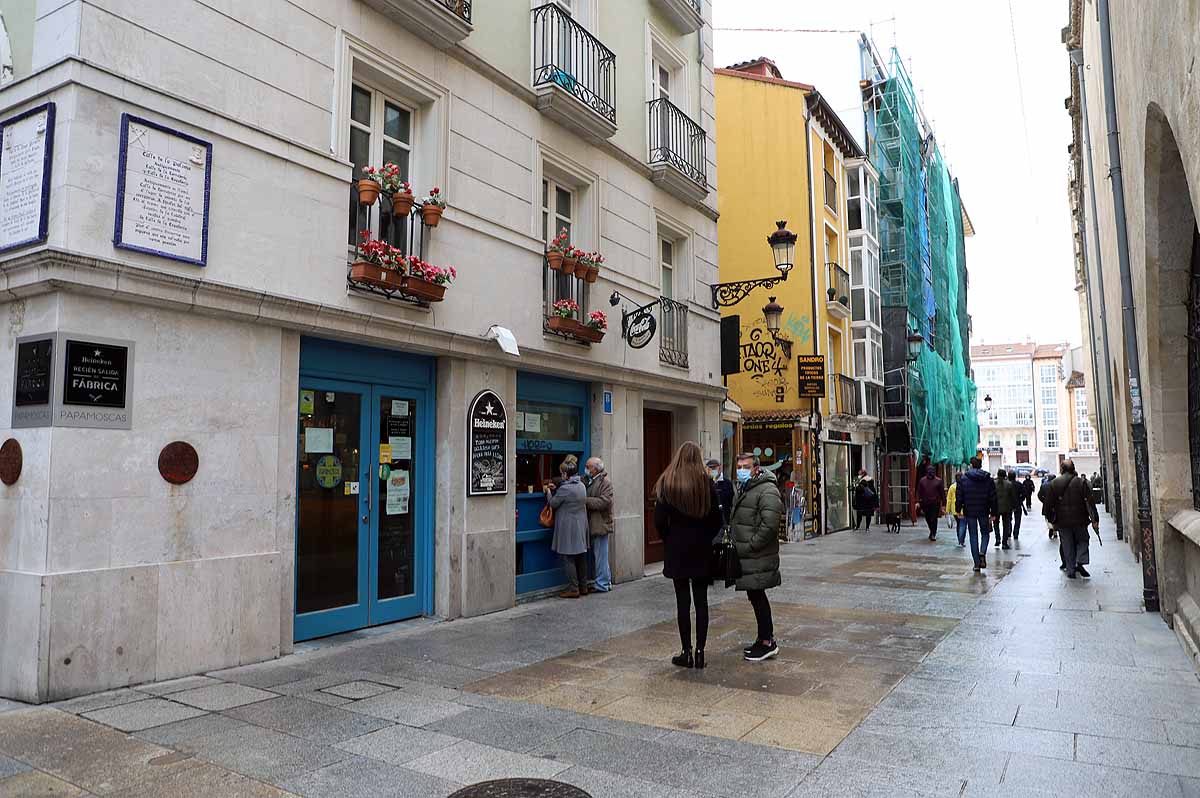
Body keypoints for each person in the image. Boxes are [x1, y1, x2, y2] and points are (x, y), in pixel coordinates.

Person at [656, 443, 724, 669]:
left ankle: (685, 651)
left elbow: (659, 521)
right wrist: (704, 536)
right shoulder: (706, 484)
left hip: (677, 548)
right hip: (701, 548)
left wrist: (670, 538)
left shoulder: (668, 482)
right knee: (702, 601)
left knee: (682, 602)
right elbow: (717, 520)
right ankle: (700, 652)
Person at [730, 452, 784, 662]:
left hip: (756, 555)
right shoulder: (746, 487)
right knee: (755, 595)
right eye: (739, 466)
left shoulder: (767, 489)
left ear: (756, 468)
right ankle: (763, 639)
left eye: (746, 466)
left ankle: (767, 642)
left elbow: (770, 525)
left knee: (758, 596)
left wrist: (751, 545)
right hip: (749, 556)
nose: (741, 470)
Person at [1041, 459, 1099, 579]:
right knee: (1083, 540)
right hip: (1080, 519)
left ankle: (1071, 570)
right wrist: (1095, 519)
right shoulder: (1081, 482)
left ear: (1062, 469)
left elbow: (1048, 504)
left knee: (1067, 544)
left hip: (1063, 520)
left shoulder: (1055, 483)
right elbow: (1090, 502)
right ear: (1073, 468)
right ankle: (1080, 559)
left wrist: (1052, 519)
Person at [546, 455, 589, 598]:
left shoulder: (565, 489)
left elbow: (553, 503)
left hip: (568, 527)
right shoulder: (581, 485)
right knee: (580, 557)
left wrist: (548, 492)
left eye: (562, 473)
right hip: (581, 525)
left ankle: (573, 588)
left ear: (566, 474)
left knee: (568, 557)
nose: (561, 475)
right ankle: (583, 587)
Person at [956, 457, 998, 571]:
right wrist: (993, 513)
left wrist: (958, 509)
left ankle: (976, 564)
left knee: (973, 536)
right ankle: (982, 552)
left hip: (969, 511)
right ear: (980, 465)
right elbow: (993, 497)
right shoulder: (988, 479)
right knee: (985, 533)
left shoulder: (963, 479)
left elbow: (959, 496)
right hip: (984, 510)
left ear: (971, 465)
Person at [584, 457, 613, 593]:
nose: (586, 469)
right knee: (601, 555)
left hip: (600, 523)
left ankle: (602, 584)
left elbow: (604, 502)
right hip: (593, 522)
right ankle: (605, 582)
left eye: (588, 467)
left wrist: (585, 500)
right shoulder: (590, 480)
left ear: (595, 469)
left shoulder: (605, 482)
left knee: (601, 555)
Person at [916, 466, 946, 541]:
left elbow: (942, 493)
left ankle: (933, 533)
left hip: (935, 503)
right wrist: (917, 501)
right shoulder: (922, 481)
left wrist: (943, 505)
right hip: (925, 503)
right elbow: (919, 491)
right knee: (928, 518)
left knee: (934, 518)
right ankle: (931, 530)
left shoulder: (938, 481)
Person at [994, 469, 1018, 550]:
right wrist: (1014, 506)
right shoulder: (1009, 484)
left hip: (996, 507)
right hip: (1007, 508)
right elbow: (1013, 497)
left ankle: (997, 538)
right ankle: (1004, 542)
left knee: (996, 523)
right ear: (1005, 476)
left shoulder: (994, 484)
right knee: (1006, 525)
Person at [706, 458, 735, 524]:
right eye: (710, 468)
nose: (712, 470)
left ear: (720, 467)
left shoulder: (727, 483)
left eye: (714, 468)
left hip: (724, 519)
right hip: (709, 520)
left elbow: (731, 502)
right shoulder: (705, 483)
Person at [946, 474, 966, 547]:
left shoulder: (952, 487)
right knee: (963, 525)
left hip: (954, 509)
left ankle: (959, 539)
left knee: (959, 524)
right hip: (963, 509)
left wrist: (947, 510)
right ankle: (961, 540)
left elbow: (949, 499)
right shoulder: (965, 486)